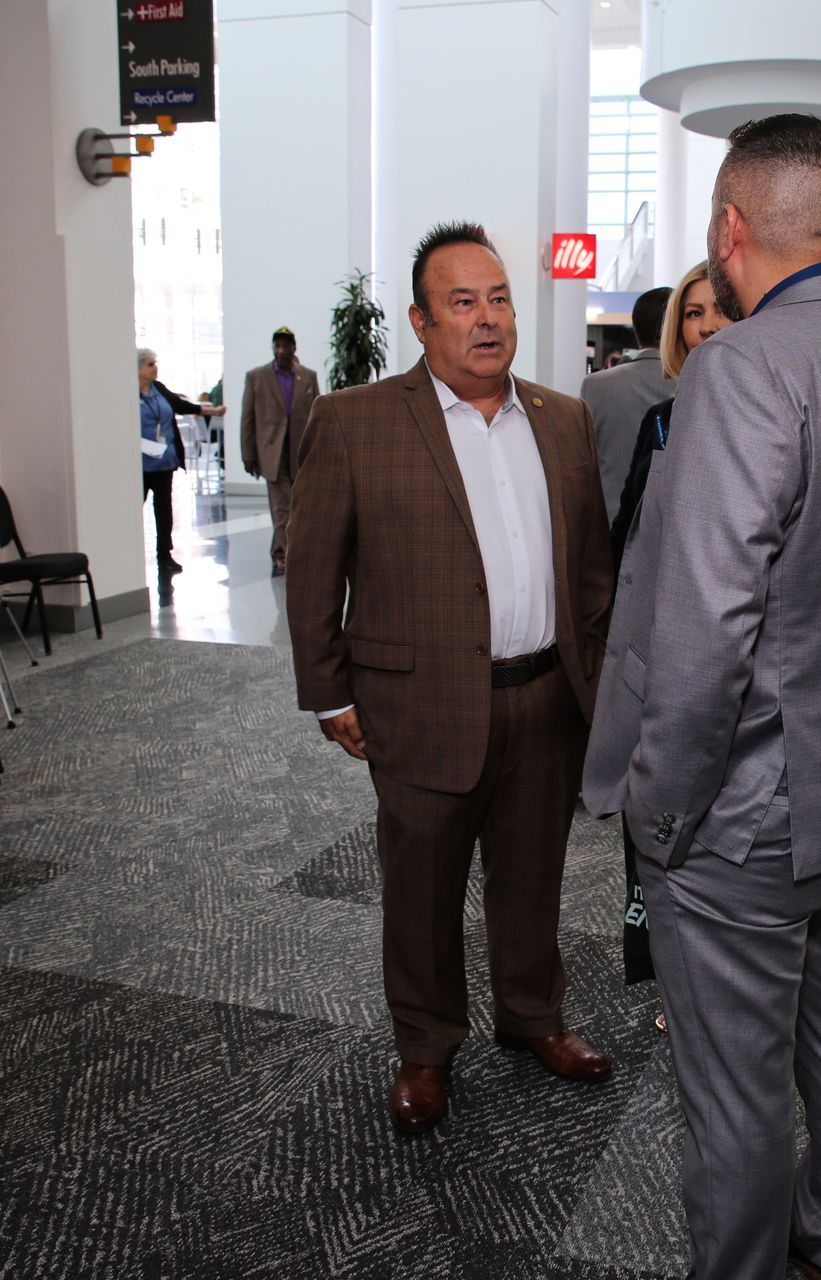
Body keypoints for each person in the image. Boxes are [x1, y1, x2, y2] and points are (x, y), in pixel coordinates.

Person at [582, 114, 821, 1280]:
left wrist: (662, 808)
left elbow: (707, 625)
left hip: (740, 808)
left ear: (730, 227)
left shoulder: (745, 366)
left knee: (736, 1089)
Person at [287, 222, 615, 1135]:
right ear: (421, 322)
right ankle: (426, 1047)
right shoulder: (355, 422)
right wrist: (330, 691)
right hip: (419, 704)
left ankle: (533, 1015)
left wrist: (592, 682)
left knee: (533, 876)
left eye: (499, 298)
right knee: (422, 888)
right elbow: (313, 570)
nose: (487, 319)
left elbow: (592, 571)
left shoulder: (563, 418)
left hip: (545, 698)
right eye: (462, 302)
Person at [606, 261, 727, 1009]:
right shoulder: (661, 421)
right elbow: (628, 538)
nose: (706, 326)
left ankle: (718, 986)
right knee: (655, 822)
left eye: (721, 311)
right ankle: (670, 981)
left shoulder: (775, 414)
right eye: (693, 312)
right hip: (661, 658)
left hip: (736, 665)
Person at [580, 285, 673, 524]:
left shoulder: (595, 385)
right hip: (669, 525)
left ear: (636, 328)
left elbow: (582, 461)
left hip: (607, 523)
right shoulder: (691, 382)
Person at [241, 326, 322, 577]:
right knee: (281, 507)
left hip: (299, 452)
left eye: (286, 346)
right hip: (271, 453)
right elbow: (247, 419)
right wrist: (248, 455)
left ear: (294, 348)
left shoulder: (308, 377)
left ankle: (278, 551)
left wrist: (320, 451)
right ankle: (291, 556)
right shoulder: (257, 377)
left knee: (296, 505)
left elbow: (318, 417)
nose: (281, 351)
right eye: (277, 346)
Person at [138, 347, 225, 576]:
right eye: (149, 364)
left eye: (155, 363)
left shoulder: (158, 389)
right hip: (141, 464)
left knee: (164, 511)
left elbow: (180, 405)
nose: (154, 368)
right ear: (137, 368)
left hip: (164, 462)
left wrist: (212, 411)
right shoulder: (130, 394)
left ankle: (164, 555)